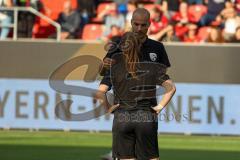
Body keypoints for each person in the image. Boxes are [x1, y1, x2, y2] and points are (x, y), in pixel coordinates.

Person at [95, 8, 176, 160]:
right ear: (131, 23)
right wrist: (158, 108)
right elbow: (167, 83)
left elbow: (101, 89)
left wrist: (108, 108)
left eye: (143, 25)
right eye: (136, 24)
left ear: (149, 24)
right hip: (146, 116)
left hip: (122, 116)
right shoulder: (119, 48)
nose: (139, 28)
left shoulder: (156, 48)